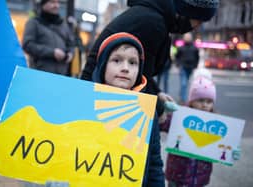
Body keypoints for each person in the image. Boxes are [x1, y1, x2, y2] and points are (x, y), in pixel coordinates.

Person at [81, 0, 220, 117]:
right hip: (97, 93)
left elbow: (142, 70)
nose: (197, 27)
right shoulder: (154, 23)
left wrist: (157, 93)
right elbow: (142, 78)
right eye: (199, 20)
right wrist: (159, 110)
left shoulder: (154, 16)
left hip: (99, 89)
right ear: (188, 12)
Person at [92, 32, 165, 187]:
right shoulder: (85, 103)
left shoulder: (147, 112)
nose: (125, 68)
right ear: (103, 65)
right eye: (117, 60)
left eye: (133, 63)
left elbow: (154, 164)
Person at [161, 76, 241, 187]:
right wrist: (164, 113)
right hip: (176, 175)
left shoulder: (216, 123)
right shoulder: (180, 117)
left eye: (209, 101)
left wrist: (231, 151)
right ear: (191, 101)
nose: (205, 105)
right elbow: (162, 124)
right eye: (200, 100)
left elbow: (221, 148)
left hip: (200, 178)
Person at [22, 0, 75, 76]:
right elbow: (27, 45)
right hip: (39, 74)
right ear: (43, 4)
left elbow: (71, 44)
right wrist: (52, 52)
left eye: (57, 2)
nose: (56, 5)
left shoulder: (63, 24)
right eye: (52, 2)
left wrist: (70, 53)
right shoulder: (34, 23)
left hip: (61, 76)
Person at [175, 32, 199, 103]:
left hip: (190, 67)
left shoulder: (195, 48)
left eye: (188, 37)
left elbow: (197, 57)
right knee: (184, 83)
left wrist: (195, 65)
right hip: (183, 67)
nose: (187, 38)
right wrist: (178, 64)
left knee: (185, 83)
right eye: (186, 37)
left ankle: (182, 95)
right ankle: (183, 99)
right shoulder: (181, 48)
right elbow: (177, 57)